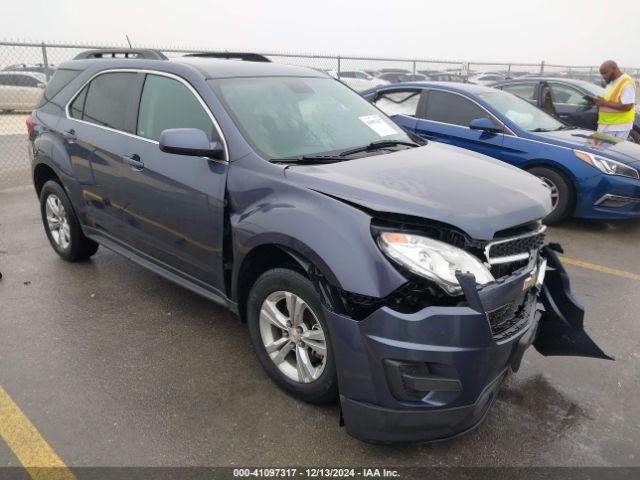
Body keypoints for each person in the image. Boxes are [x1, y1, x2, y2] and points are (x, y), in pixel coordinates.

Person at [594, 60, 636, 140]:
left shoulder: (627, 82)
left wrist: (604, 103)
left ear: (614, 69)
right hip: (607, 125)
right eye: (602, 74)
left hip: (617, 127)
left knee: (607, 151)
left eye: (605, 73)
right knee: (599, 149)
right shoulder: (612, 82)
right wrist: (598, 102)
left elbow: (627, 106)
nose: (604, 76)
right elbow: (610, 100)